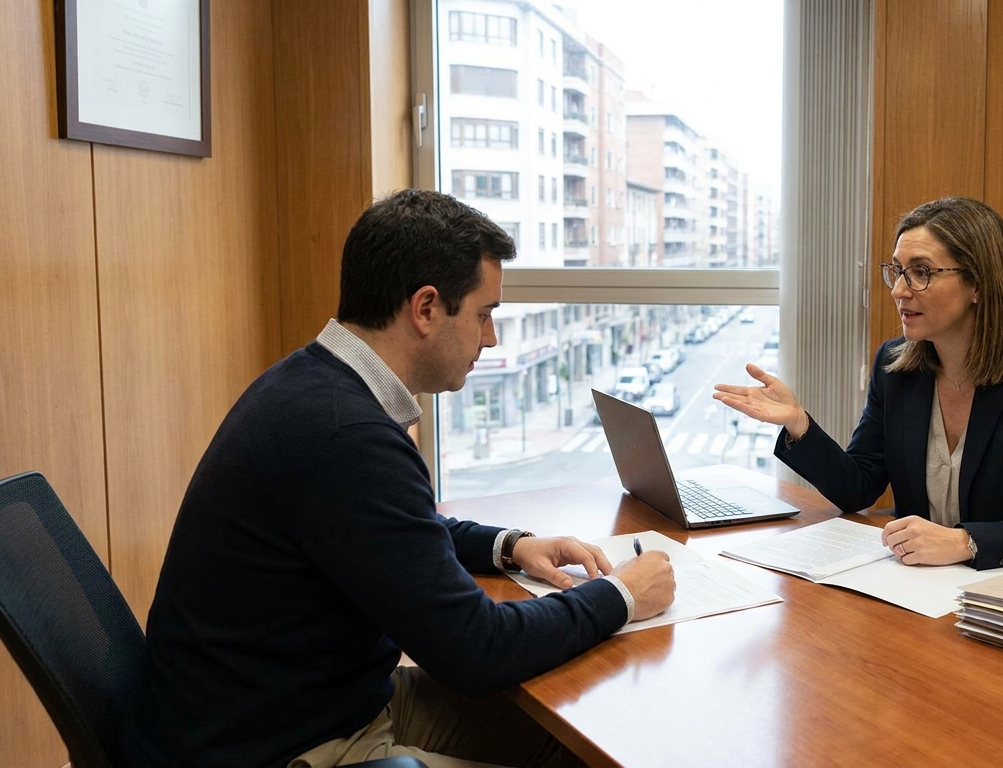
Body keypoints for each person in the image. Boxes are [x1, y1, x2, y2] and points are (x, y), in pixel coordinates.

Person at [121, 190, 676, 768]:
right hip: (278, 746)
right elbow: (476, 650)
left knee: (566, 738)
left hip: (303, 706)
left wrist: (509, 545)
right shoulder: (347, 437)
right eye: (485, 314)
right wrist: (621, 595)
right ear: (427, 308)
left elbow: (403, 529)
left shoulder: (309, 385)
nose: (491, 339)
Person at [714, 197, 1003, 570]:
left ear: (979, 284)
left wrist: (966, 542)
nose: (899, 290)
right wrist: (798, 423)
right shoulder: (895, 365)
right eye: (898, 271)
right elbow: (860, 488)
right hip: (916, 587)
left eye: (921, 272)